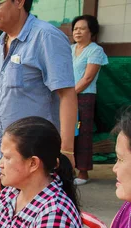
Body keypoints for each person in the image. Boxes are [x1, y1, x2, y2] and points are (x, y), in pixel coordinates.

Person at [0, 0, 78, 168]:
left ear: (19, 2)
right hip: (8, 156)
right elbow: (3, 101)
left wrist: (66, 151)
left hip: (39, 155)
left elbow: (67, 94)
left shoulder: (45, 37)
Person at [71, 15, 108, 186]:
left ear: (91, 32)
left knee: (83, 133)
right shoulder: (70, 49)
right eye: (75, 28)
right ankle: (67, 168)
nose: (77, 31)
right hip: (67, 96)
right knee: (67, 132)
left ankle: (83, 173)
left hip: (85, 97)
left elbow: (87, 79)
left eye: (82, 28)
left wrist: (71, 94)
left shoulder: (95, 50)